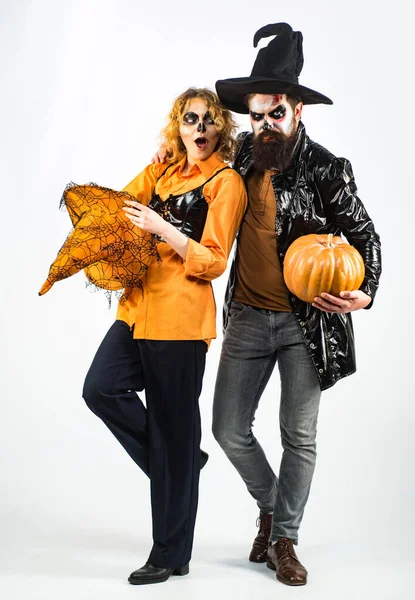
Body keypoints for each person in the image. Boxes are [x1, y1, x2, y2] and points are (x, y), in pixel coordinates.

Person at [211, 22, 382, 586]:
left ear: (297, 111)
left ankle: (284, 537)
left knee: (298, 436)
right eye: (256, 115)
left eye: (276, 114)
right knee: (229, 429)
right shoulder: (236, 157)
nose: (265, 125)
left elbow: (365, 237)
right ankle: (272, 508)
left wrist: (366, 290)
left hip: (308, 323)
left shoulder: (327, 169)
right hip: (247, 317)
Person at [81, 87, 247, 585]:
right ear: (178, 126)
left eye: (209, 121)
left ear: (221, 129)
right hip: (136, 310)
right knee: (101, 388)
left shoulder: (226, 182)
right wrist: (155, 167)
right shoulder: (163, 172)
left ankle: (170, 553)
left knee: (175, 431)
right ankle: (179, 458)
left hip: (179, 320)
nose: (199, 128)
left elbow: (214, 260)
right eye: (189, 119)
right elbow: (120, 209)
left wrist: (165, 228)